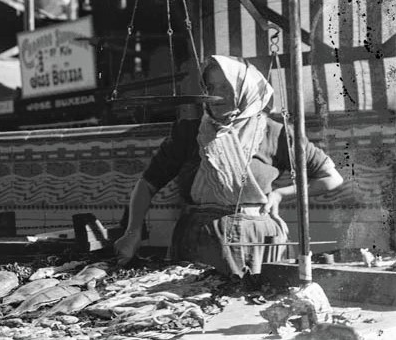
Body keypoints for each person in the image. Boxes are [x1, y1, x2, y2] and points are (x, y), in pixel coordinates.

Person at [114, 55, 343, 278]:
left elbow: (331, 178)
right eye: (211, 87)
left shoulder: (277, 132)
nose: (215, 95)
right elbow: (146, 185)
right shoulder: (188, 132)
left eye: (226, 88)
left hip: (257, 241)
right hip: (198, 240)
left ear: (246, 91)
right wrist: (132, 233)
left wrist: (281, 194)